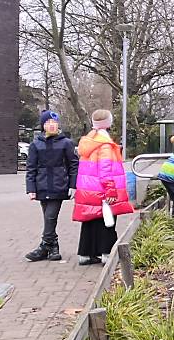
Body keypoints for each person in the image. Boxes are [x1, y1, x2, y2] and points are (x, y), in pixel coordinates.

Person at [73, 109, 135, 265]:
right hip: (102, 189)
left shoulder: (89, 141)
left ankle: (85, 254)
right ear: (107, 123)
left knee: (90, 220)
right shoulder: (105, 144)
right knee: (107, 220)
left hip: (89, 189)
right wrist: (110, 189)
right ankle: (107, 252)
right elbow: (106, 169)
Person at [24, 110, 79, 262]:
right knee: (48, 218)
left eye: (54, 123)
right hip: (41, 186)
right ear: (43, 125)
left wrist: (73, 185)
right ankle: (53, 246)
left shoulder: (66, 143)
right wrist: (31, 188)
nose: (52, 126)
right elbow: (31, 167)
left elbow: (74, 165)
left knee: (50, 216)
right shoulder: (36, 144)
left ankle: (43, 246)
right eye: (48, 123)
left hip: (59, 186)